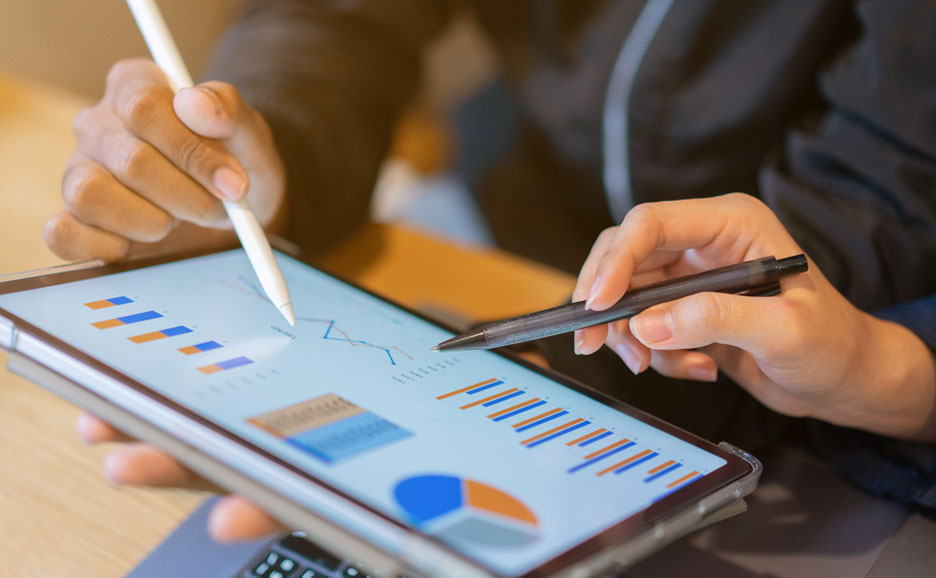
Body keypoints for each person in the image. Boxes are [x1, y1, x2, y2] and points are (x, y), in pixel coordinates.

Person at [48, 0, 936, 541]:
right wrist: (266, 161)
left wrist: (556, 397)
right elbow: (332, 17)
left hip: (837, 305)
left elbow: (883, 187)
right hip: (514, 206)